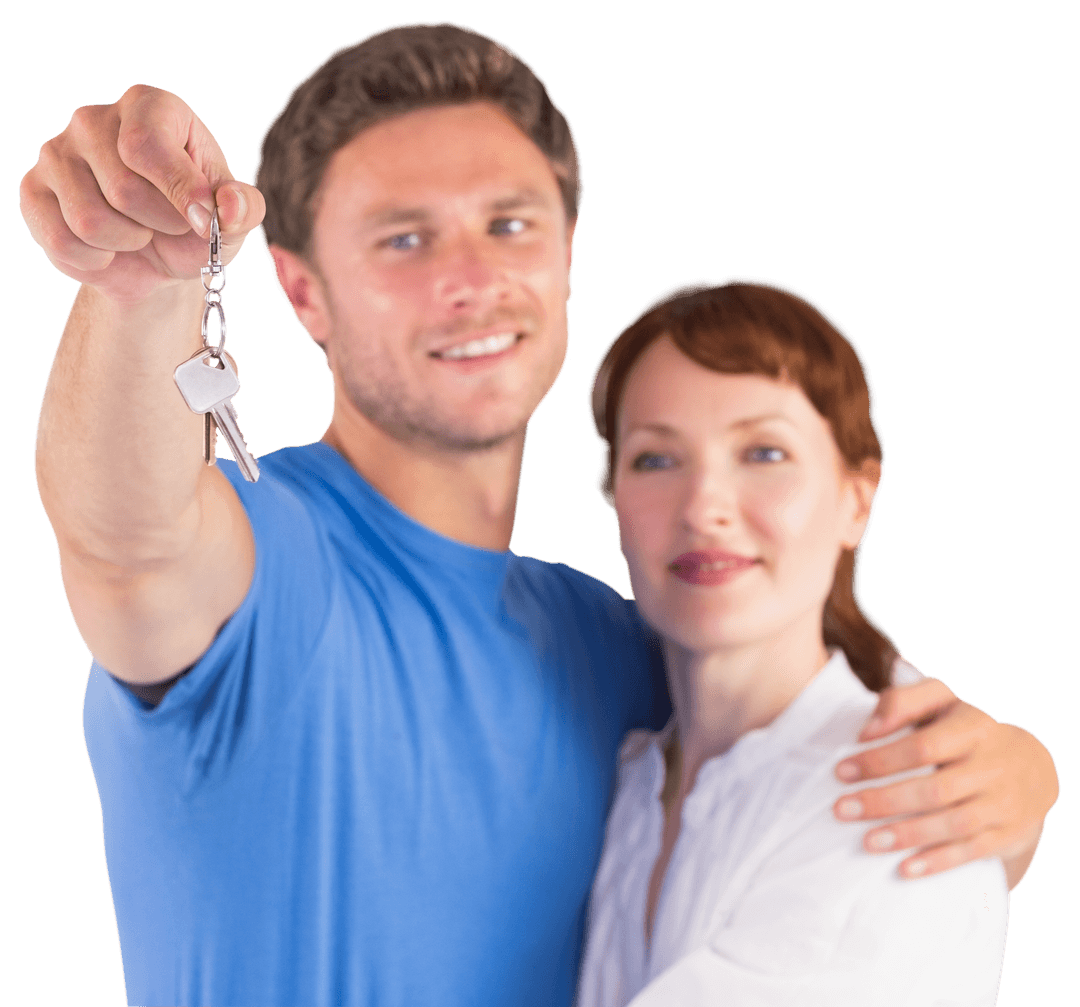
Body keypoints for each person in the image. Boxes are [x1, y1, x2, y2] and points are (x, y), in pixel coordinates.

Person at [21, 21, 1056, 1007]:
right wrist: (138, 284)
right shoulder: (273, 569)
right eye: (403, 238)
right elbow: (126, 538)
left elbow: (816, 795)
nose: (470, 279)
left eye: (508, 224)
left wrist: (1015, 784)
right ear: (302, 294)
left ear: (566, 257)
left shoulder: (619, 645)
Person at [577, 277, 1013, 1005]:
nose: (704, 507)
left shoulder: (900, 805)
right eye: (657, 458)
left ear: (857, 499)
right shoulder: (626, 778)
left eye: (764, 453)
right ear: (614, 500)